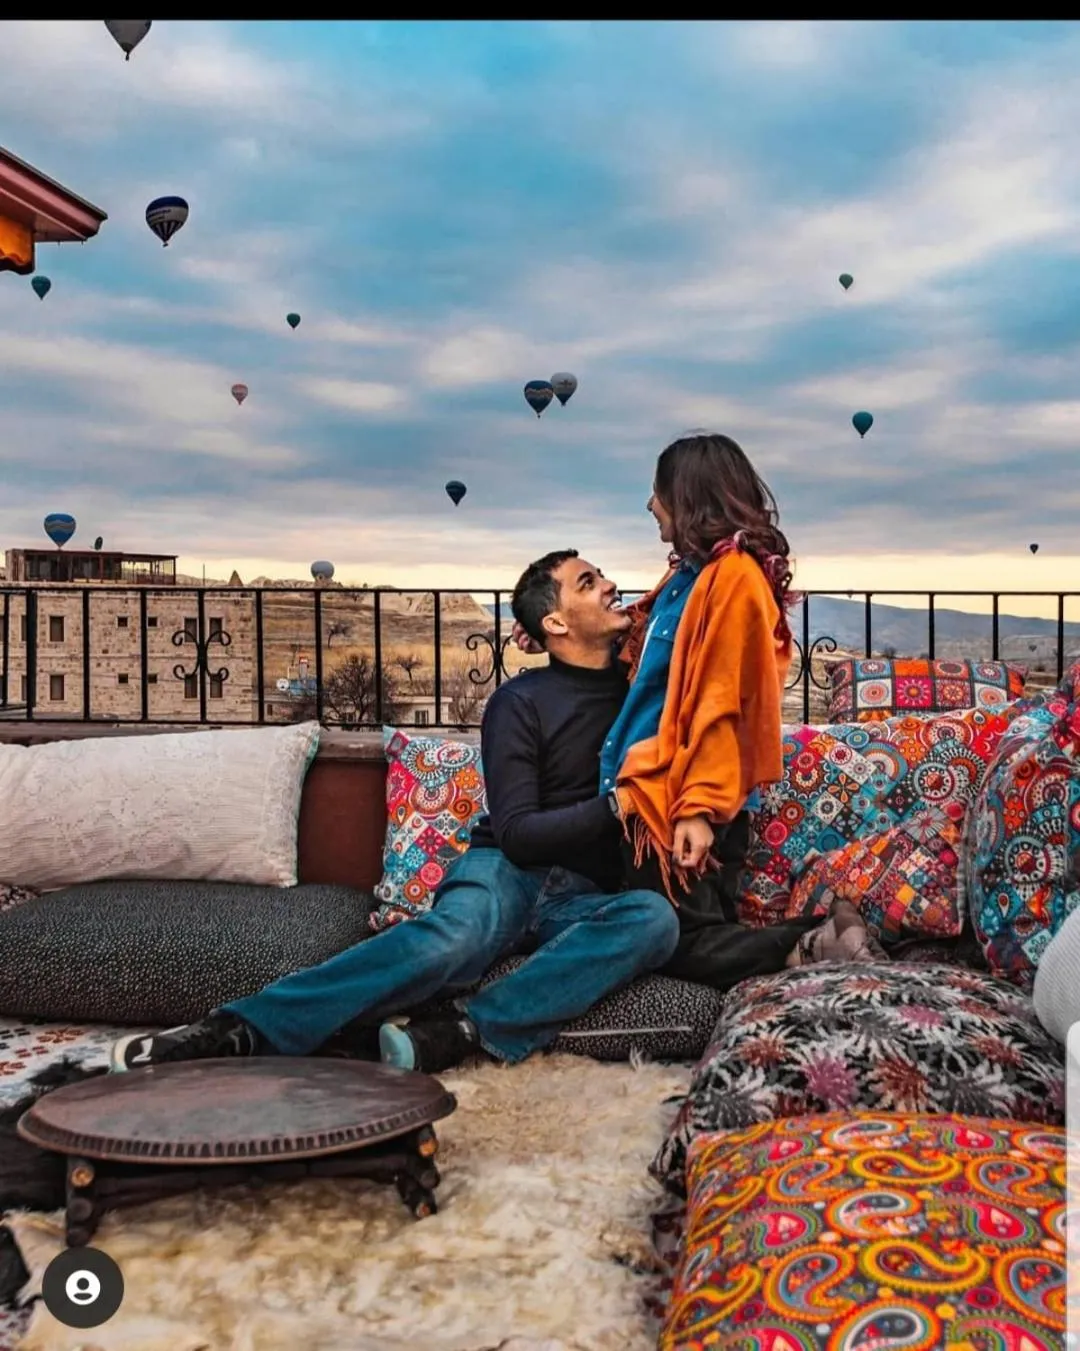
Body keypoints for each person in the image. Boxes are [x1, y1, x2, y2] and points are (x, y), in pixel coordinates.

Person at [110, 550, 682, 1078]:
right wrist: (618, 807)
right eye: (589, 582)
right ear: (554, 624)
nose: (610, 585)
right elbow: (519, 835)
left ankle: (464, 1028)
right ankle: (238, 1028)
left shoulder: (643, 693)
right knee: (455, 938)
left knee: (653, 920)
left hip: (581, 893)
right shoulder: (520, 702)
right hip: (504, 872)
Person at [514, 434, 884, 988]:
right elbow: (646, 636)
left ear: (688, 496)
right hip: (657, 795)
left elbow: (722, 699)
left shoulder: (733, 578)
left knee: (673, 942)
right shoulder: (692, 575)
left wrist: (699, 808)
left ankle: (817, 941)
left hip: (680, 796)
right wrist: (544, 624)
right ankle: (822, 940)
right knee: (672, 929)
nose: (650, 505)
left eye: (657, 492)